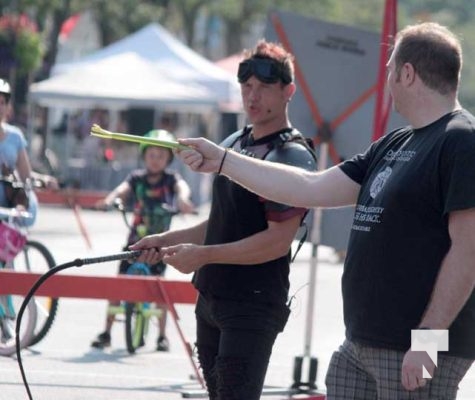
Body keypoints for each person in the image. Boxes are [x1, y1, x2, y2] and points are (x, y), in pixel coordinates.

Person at [168, 22, 475, 399]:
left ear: (407, 73)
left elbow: (469, 248)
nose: (389, 80)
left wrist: (428, 340)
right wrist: (223, 160)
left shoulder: (461, 140)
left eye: (391, 70)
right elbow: (308, 187)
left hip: (413, 347)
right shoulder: (395, 142)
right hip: (361, 341)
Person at [130, 40, 316, 399]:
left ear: (288, 91)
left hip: (252, 305)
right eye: (247, 87)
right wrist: (164, 239)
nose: (253, 96)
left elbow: (278, 241)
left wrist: (202, 256)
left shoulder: (291, 155)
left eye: (264, 87)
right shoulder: (232, 143)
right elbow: (218, 225)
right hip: (212, 297)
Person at [90, 129, 195, 352]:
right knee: (119, 284)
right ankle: (107, 331)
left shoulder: (171, 179)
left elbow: (182, 188)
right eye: (151, 155)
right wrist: (110, 200)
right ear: (144, 156)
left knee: (160, 289)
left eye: (161, 155)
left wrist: (184, 200)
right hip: (135, 242)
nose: (155, 160)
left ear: (168, 158)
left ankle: (162, 335)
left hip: (160, 245)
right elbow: (122, 189)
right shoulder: (136, 177)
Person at [0, 78, 58, 226]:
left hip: (9, 199)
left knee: (27, 205)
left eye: (2, 103)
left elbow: (26, 175)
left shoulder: (15, 136)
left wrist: (44, 179)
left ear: (8, 107)